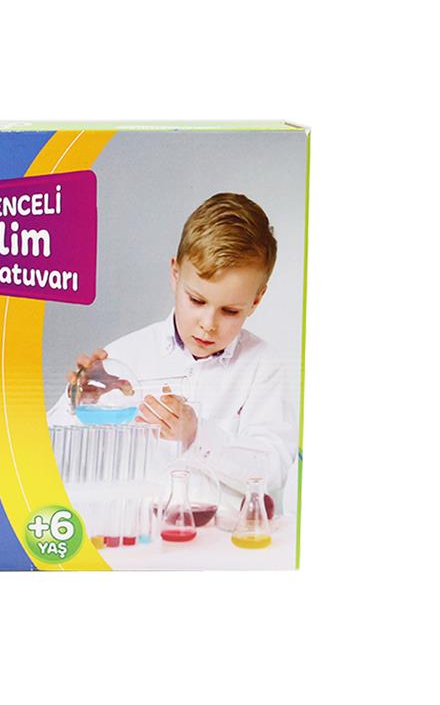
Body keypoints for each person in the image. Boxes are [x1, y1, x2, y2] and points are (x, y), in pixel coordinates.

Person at [47, 193, 297, 501]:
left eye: (230, 311)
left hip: (226, 530)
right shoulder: (125, 358)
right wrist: (77, 406)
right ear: (175, 275)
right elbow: (46, 456)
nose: (208, 324)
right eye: (197, 300)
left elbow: (272, 470)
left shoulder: (262, 366)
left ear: (256, 300)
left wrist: (197, 435)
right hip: (140, 527)